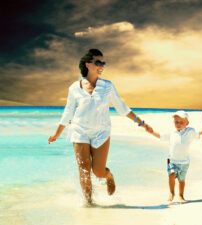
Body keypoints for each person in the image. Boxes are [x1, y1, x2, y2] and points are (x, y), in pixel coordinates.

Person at [48, 49, 153, 204]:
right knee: (84, 170)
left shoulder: (107, 86)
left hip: (101, 132)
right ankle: (89, 204)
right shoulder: (74, 88)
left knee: (97, 171)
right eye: (98, 62)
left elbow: (121, 107)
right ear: (88, 64)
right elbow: (68, 112)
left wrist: (141, 123)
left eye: (103, 63)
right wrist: (57, 134)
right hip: (79, 131)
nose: (102, 66)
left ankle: (108, 176)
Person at [148, 110, 202, 203]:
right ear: (173, 122)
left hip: (184, 162)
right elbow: (160, 136)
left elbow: (201, 132)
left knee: (181, 180)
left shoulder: (190, 131)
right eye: (176, 122)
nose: (178, 124)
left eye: (181, 122)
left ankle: (181, 195)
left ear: (187, 123)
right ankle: (172, 193)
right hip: (172, 160)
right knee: (171, 175)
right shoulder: (172, 133)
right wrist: (151, 132)